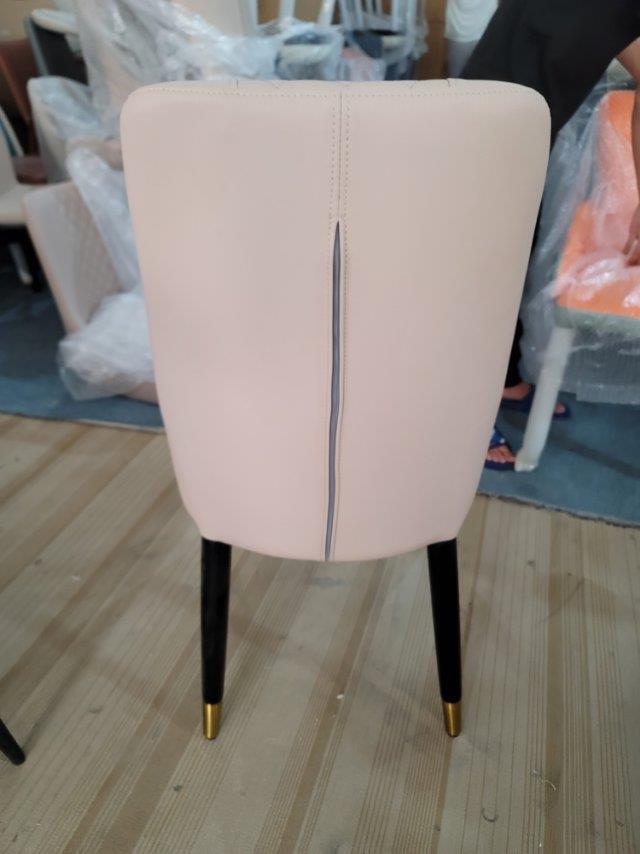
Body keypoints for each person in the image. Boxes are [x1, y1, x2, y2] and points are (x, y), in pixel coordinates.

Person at [460, 0, 640, 470]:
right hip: (483, 129)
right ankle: (462, 420)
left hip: (525, 129)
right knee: (477, 279)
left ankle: (501, 381)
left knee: (511, 255)